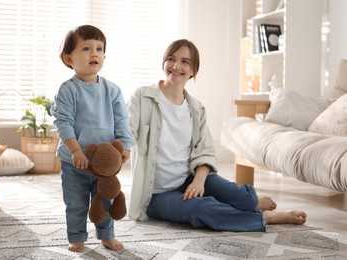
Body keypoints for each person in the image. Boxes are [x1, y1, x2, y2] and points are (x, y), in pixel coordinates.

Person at [126, 39, 307, 232]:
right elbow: (126, 131)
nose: (176, 66)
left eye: (185, 62)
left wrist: (198, 181)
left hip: (188, 177)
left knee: (243, 196)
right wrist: (117, 151)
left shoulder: (196, 108)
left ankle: (251, 202)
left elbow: (205, 151)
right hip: (156, 194)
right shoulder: (143, 96)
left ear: (194, 70)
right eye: (171, 59)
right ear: (164, 63)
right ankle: (263, 217)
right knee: (200, 209)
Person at [50, 25, 132, 252]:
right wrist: (76, 151)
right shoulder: (68, 90)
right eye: (86, 48)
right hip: (74, 163)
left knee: (104, 198)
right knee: (76, 203)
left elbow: (122, 120)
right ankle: (76, 236)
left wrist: (125, 146)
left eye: (99, 48)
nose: (94, 53)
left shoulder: (112, 90)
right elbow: (63, 122)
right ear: (69, 58)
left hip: (104, 163)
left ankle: (107, 234)